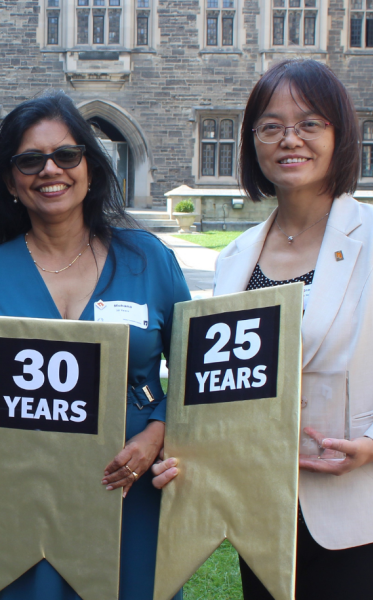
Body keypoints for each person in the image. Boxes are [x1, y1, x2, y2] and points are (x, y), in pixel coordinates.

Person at [0, 91, 189, 599]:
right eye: (30, 160)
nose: (50, 169)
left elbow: (192, 374)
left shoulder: (148, 258)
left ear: (90, 166)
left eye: (66, 155)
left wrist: (157, 434)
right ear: (12, 182)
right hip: (23, 486)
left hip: (129, 485)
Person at [152, 59, 373, 599]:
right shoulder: (234, 258)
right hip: (261, 507)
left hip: (355, 506)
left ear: (339, 134)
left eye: (309, 123)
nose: (289, 139)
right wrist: (185, 451)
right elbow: (221, 381)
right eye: (271, 126)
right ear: (253, 142)